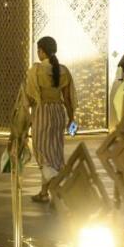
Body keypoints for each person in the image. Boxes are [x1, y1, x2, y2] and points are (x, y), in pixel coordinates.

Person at [24, 36, 75, 203]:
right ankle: (44, 192)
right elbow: (67, 98)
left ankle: (59, 189)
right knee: (54, 153)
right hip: (58, 113)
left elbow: (30, 98)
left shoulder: (36, 71)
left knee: (42, 154)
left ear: (42, 51)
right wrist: (71, 118)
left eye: (38, 50)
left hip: (42, 113)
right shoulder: (63, 70)